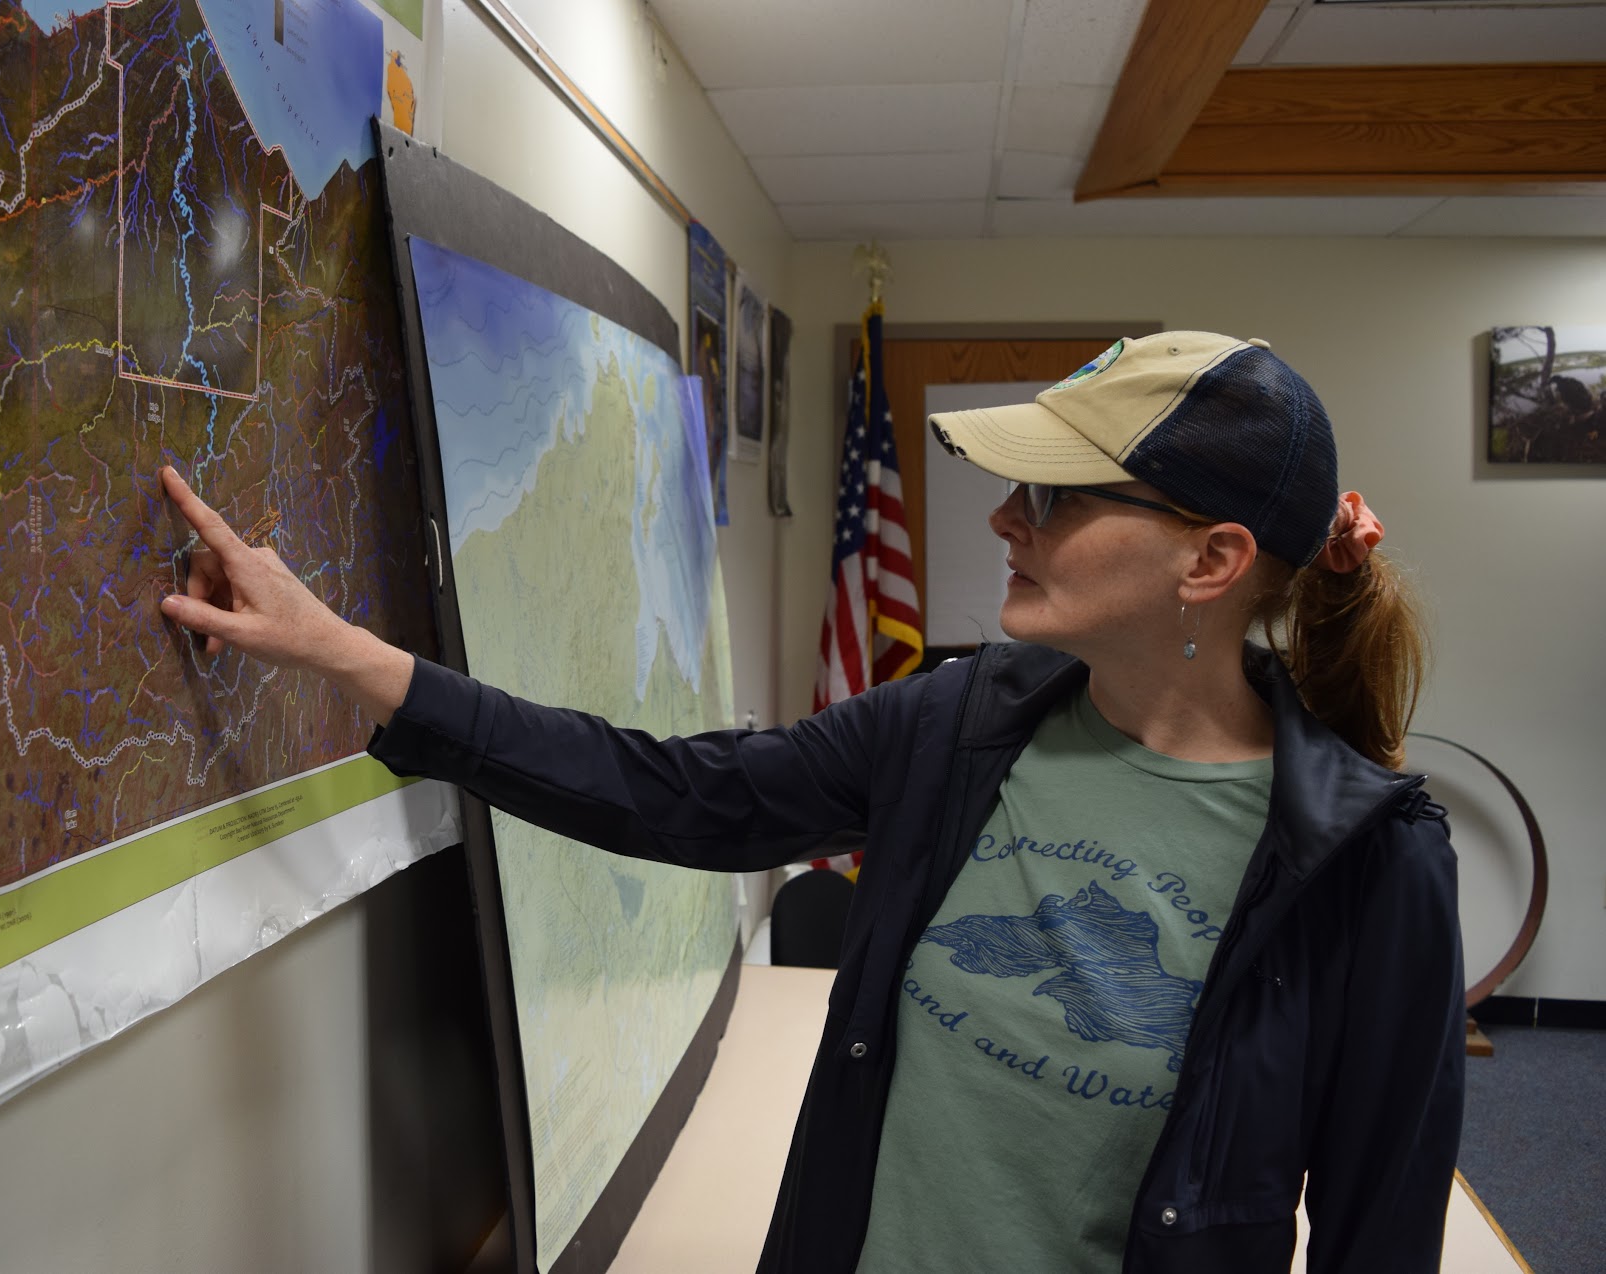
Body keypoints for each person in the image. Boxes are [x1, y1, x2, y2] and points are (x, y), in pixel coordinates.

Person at [156, 331, 1463, 1274]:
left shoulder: (1363, 860)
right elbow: (675, 793)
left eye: (1054, 496)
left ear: (1213, 560)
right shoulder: (958, 721)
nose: (1005, 518)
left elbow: (1378, 1232)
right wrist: (347, 653)